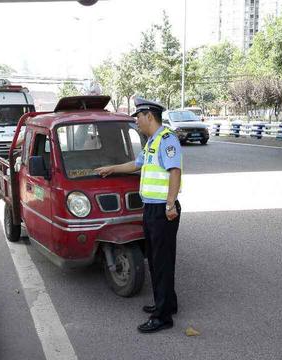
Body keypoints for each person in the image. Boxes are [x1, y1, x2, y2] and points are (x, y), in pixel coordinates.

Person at [96, 97, 182, 334]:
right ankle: (167, 304)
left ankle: (163, 317)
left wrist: (170, 204)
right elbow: (136, 164)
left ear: (149, 116)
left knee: (162, 262)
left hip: (163, 210)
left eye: (138, 117)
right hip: (152, 208)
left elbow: (175, 171)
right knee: (155, 260)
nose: (136, 121)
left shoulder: (167, 140)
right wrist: (111, 168)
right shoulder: (152, 141)